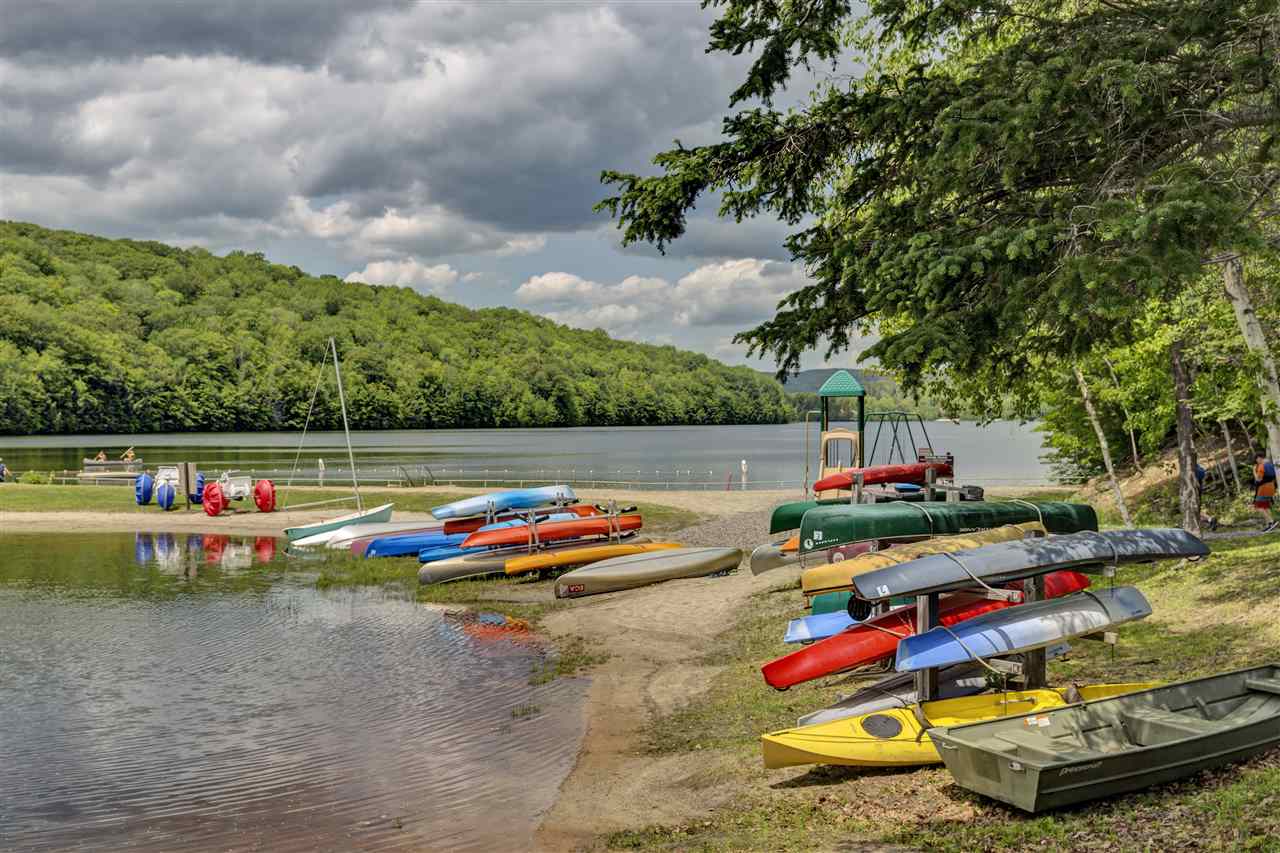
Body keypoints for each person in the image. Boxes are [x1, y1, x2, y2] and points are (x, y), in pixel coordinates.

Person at [1252, 452, 1278, 532]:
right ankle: (1270, 525)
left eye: (1256, 460)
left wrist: (1254, 471)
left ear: (1259, 458)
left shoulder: (1261, 466)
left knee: (1258, 506)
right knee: (1265, 506)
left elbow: (1258, 480)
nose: (1257, 462)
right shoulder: (1271, 464)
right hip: (1271, 487)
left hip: (1264, 488)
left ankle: (1271, 522)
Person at [1195, 462, 1219, 532]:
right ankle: (1210, 521)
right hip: (1198, 489)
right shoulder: (1197, 466)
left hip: (1195, 490)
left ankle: (1210, 520)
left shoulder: (1191, 467)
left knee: (1194, 510)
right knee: (1196, 510)